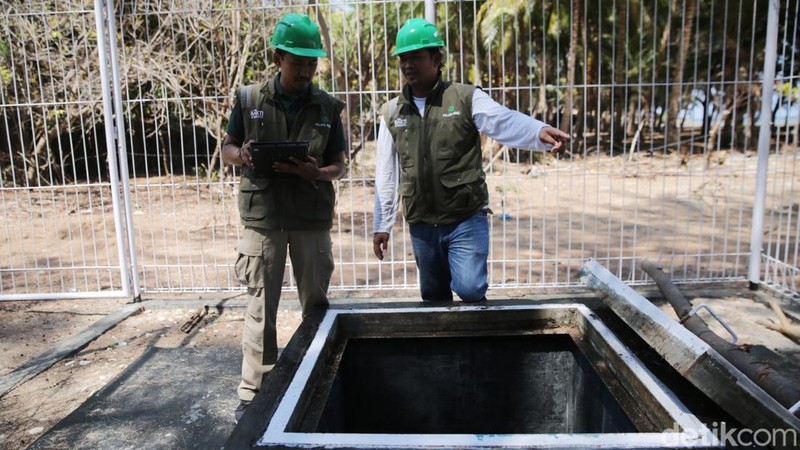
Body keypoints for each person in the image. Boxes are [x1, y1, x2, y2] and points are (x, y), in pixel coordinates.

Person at [373, 18, 571, 303]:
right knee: (433, 298)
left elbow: (503, 120)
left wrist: (538, 131)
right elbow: (386, 174)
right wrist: (383, 224)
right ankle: (449, 347)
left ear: (437, 58)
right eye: (403, 59)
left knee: (470, 288)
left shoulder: (465, 98)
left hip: (465, 218)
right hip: (422, 223)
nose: (408, 65)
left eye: (416, 57)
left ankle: (479, 343)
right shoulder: (391, 112)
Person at [221, 13, 346, 422]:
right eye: (299, 63)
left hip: (310, 218)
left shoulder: (327, 105)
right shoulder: (249, 99)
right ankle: (254, 391)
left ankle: (321, 375)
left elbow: (338, 164)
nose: (307, 71)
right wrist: (242, 156)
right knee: (261, 308)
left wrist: (317, 173)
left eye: (313, 64)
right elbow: (228, 147)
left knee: (316, 305)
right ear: (278, 58)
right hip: (264, 219)